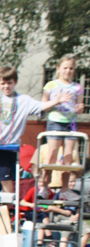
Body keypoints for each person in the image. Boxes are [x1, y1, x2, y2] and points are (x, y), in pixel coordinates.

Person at [0, 66, 71, 193]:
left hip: (8, 147)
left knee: (5, 180)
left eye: (9, 83)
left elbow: (41, 106)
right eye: (3, 83)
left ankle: (6, 209)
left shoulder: (23, 100)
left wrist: (56, 101)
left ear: (15, 82)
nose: (6, 86)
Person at [42, 55, 85, 191]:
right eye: (65, 68)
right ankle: (44, 185)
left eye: (71, 68)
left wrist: (79, 108)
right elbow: (43, 105)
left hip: (70, 123)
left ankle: (65, 188)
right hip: (55, 121)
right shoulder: (51, 85)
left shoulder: (77, 87)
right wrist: (57, 101)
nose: (68, 71)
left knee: (68, 156)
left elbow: (80, 105)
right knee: (52, 154)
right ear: (58, 69)